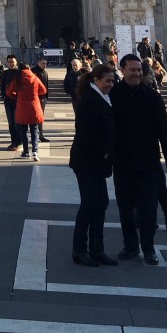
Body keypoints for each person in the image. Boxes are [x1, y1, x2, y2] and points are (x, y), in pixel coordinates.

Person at [111, 54, 167, 265]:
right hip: (122, 162)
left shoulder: (152, 97)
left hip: (148, 161)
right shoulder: (112, 95)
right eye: (132, 70)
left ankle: (148, 248)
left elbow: (164, 131)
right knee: (125, 207)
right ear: (122, 70)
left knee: (148, 208)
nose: (137, 73)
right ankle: (130, 245)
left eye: (139, 70)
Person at [69, 62, 117, 266]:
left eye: (113, 81)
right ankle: (79, 250)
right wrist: (106, 150)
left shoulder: (102, 97)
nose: (111, 84)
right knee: (90, 205)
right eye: (107, 81)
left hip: (96, 160)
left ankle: (97, 249)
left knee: (101, 203)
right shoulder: (90, 100)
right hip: (88, 160)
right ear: (96, 80)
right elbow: (86, 132)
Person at [7, 62, 46, 161]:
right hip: (34, 106)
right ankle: (35, 152)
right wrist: (35, 94)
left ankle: (26, 151)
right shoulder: (35, 78)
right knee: (34, 130)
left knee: (23, 131)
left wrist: (16, 96)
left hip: (22, 107)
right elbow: (43, 90)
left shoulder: (18, 79)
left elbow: (9, 92)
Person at [0, 53, 21, 150]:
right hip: (8, 101)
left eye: (12, 62)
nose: (11, 64)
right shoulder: (5, 73)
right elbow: (2, 85)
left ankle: (19, 142)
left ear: (16, 62)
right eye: (9, 62)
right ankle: (13, 142)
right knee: (11, 123)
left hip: (18, 100)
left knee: (17, 122)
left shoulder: (20, 72)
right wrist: (4, 96)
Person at [32, 58, 50, 142]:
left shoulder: (45, 73)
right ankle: (35, 135)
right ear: (38, 63)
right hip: (35, 98)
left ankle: (40, 135)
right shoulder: (33, 72)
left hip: (43, 99)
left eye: (45, 63)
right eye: (43, 63)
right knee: (34, 117)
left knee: (40, 117)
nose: (45, 65)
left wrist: (46, 97)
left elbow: (46, 85)